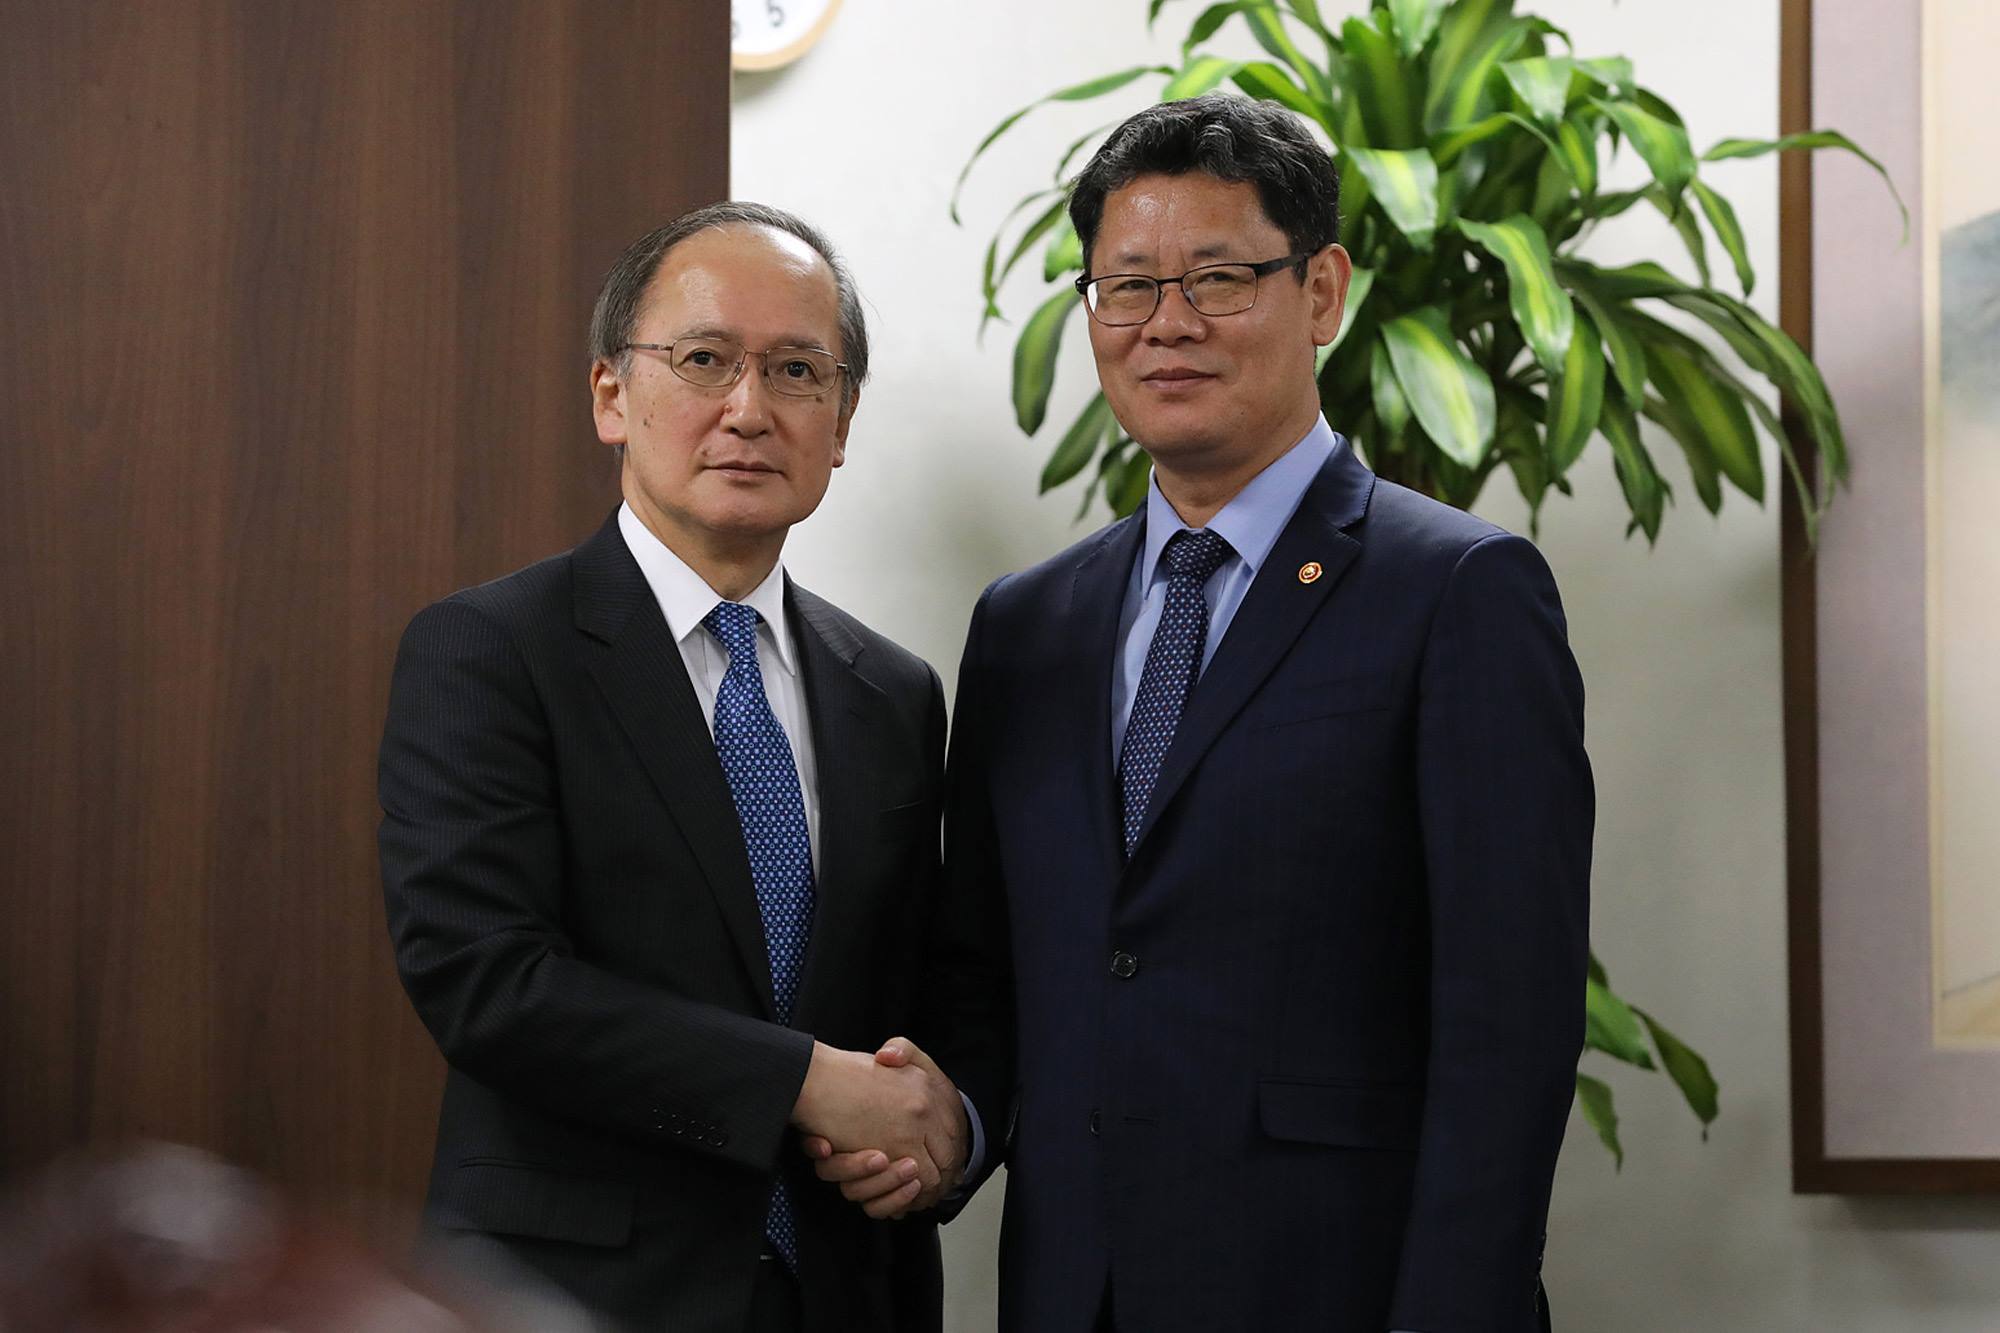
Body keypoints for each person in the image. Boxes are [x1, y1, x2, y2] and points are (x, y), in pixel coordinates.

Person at [818, 94, 1593, 1332]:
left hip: (1335, 1291)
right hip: (1076, 1293)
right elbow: (986, 971)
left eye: (1220, 278)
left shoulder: (1456, 590)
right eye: (1124, 287)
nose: (1165, 325)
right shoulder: (1026, 626)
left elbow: (1509, 1027)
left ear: (1322, 292)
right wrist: (944, 1128)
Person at [378, 202, 966, 1333]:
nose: (747, 408)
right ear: (612, 394)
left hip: (849, 1290)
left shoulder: (893, 692)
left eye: (797, 370)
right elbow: (486, 980)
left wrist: (944, 1123)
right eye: (703, 360)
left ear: (839, 421)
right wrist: (802, 1081)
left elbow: (932, 980)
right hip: (573, 1294)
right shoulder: (492, 651)